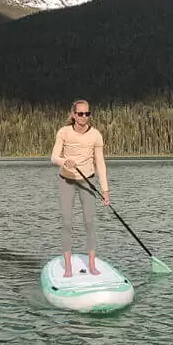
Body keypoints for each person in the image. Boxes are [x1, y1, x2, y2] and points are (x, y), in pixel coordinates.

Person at [49, 99, 110, 278]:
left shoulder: (96, 135)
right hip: (66, 180)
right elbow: (53, 157)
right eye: (81, 113)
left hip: (87, 181)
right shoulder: (64, 132)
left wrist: (105, 190)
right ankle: (68, 267)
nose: (84, 117)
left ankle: (92, 264)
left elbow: (100, 163)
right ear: (74, 115)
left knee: (89, 222)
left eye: (87, 113)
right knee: (67, 223)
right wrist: (64, 161)